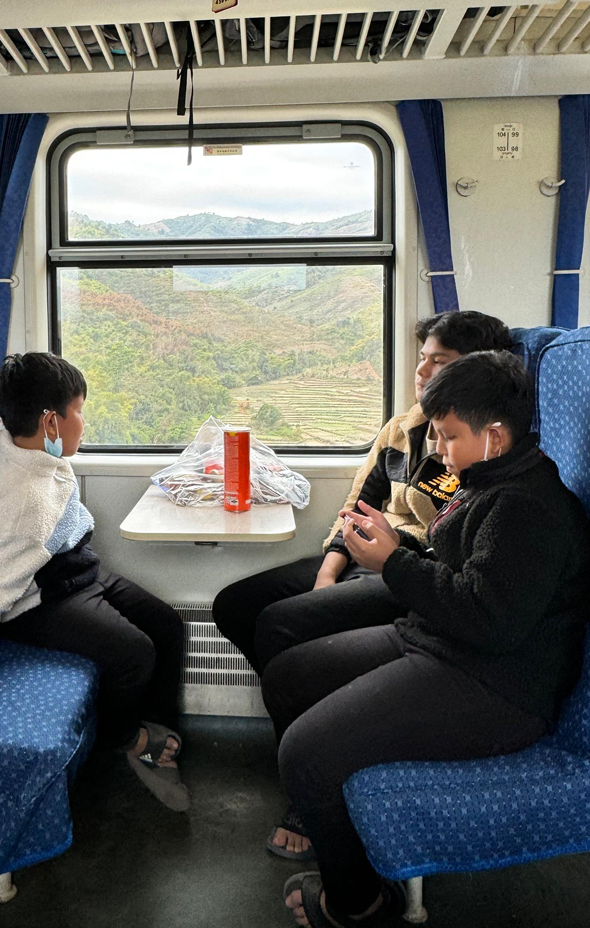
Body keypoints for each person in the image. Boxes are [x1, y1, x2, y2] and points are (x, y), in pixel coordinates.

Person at [261, 351, 590, 928]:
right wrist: (399, 546)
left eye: (448, 437)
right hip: (439, 642)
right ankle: (338, 832)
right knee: (288, 676)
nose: (439, 450)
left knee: (305, 754)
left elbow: (490, 622)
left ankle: (357, 905)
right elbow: (461, 571)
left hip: (493, 686)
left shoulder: (529, 510)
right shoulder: (485, 478)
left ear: (495, 434)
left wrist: (393, 564)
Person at [212, 309, 512, 857]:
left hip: (409, 564)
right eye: (421, 358)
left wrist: (381, 556)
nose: (422, 372)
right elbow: (359, 503)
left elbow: (439, 529)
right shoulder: (400, 429)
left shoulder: (476, 451)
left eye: (438, 362)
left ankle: (310, 783)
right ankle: (311, 726)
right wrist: (328, 571)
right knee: (236, 605)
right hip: (361, 550)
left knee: (282, 626)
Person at [0, 352, 189, 812]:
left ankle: (162, 731)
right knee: (135, 653)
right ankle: (128, 738)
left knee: (168, 625)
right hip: (36, 598)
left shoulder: (11, 436)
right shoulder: (25, 508)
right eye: (79, 411)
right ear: (51, 422)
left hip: (73, 568)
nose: (84, 422)